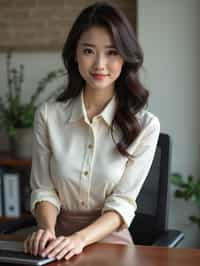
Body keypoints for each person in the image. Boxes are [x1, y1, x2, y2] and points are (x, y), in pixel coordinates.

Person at [24, 1, 160, 261]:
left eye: (112, 52)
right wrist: (46, 230)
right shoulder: (48, 115)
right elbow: (43, 189)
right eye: (89, 51)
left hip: (111, 245)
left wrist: (79, 240)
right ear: (75, 54)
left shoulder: (146, 126)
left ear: (125, 58)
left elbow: (122, 203)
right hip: (54, 246)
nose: (99, 64)